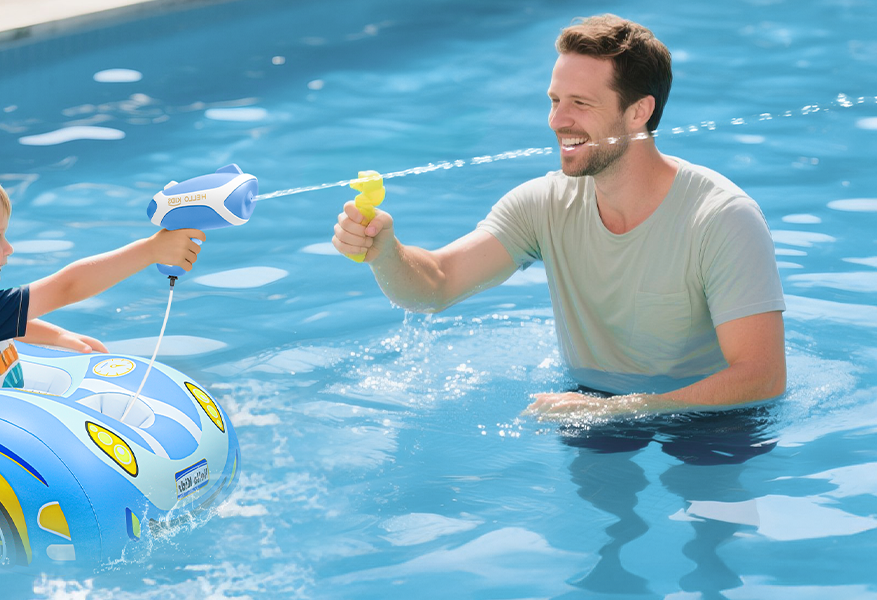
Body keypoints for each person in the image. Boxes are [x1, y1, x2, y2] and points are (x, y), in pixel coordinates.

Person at [330, 14, 786, 420]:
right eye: (554, 100)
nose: (557, 121)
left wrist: (622, 411)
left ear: (638, 112)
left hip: (715, 420)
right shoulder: (543, 203)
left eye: (580, 104)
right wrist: (385, 252)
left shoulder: (722, 218)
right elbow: (436, 285)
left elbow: (762, 378)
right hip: (589, 404)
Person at [0, 157, 203, 394]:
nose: (9, 249)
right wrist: (150, 250)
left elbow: (8, 323)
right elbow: (66, 286)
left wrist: (58, 337)